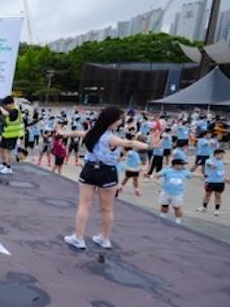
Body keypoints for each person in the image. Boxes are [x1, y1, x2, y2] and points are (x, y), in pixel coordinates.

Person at [58, 107, 154, 250]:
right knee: (107, 209)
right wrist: (151, 146)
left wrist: (63, 132)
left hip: (90, 170)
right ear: (111, 120)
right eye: (119, 119)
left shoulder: (93, 133)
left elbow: (77, 132)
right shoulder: (110, 137)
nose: (121, 122)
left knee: (84, 206)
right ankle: (104, 238)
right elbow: (130, 143)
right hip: (107, 172)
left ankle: (78, 238)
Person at [154, 158, 191, 224]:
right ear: (175, 165)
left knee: (177, 207)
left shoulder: (185, 172)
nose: (183, 166)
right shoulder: (167, 171)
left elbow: (190, 175)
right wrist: (156, 176)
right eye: (182, 165)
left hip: (177, 194)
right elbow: (158, 175)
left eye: (183, 165)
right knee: (164, 205)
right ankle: (162, 218)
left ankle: (178, 221)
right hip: (166, 192)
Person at [0, 95, 25, 175]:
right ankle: (4, 164)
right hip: (6, 134)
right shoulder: (9, 110)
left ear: (11, 103)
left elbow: (10, 116)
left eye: (6, 105)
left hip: (13, 135)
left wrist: (1, 109)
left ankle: (8, 168)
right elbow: (7, 121)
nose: (5, 107)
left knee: (9, 152)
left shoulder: (15, 110)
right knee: (1, 149)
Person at [198, 149, 227, 216]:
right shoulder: (209, 160)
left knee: (218, 196)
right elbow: (209, 164)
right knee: (207, 195)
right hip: (210, 181)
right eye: (221, 155)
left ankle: (217, 210)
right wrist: (211, 166)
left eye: (223, 155)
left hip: (220, 182)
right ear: (216, 154)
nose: (222, 156)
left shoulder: (222, 162)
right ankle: (204, 207)